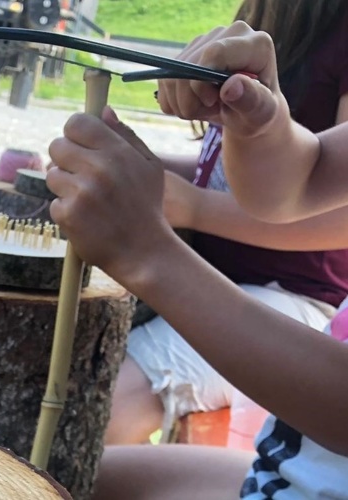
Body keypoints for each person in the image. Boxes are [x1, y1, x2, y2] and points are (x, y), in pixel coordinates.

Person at [43, 22, 348, 498]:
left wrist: (149, 255)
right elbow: (301, 182)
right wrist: (260, 124)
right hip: (287, 471)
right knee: (49, 471)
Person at [105, 0, 348, 445]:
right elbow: (261, 175)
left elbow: (337, 214)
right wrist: (140, 172)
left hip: (294, 302)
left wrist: (193, 208)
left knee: (102, 412)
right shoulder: (263, 18)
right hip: (210, 274)